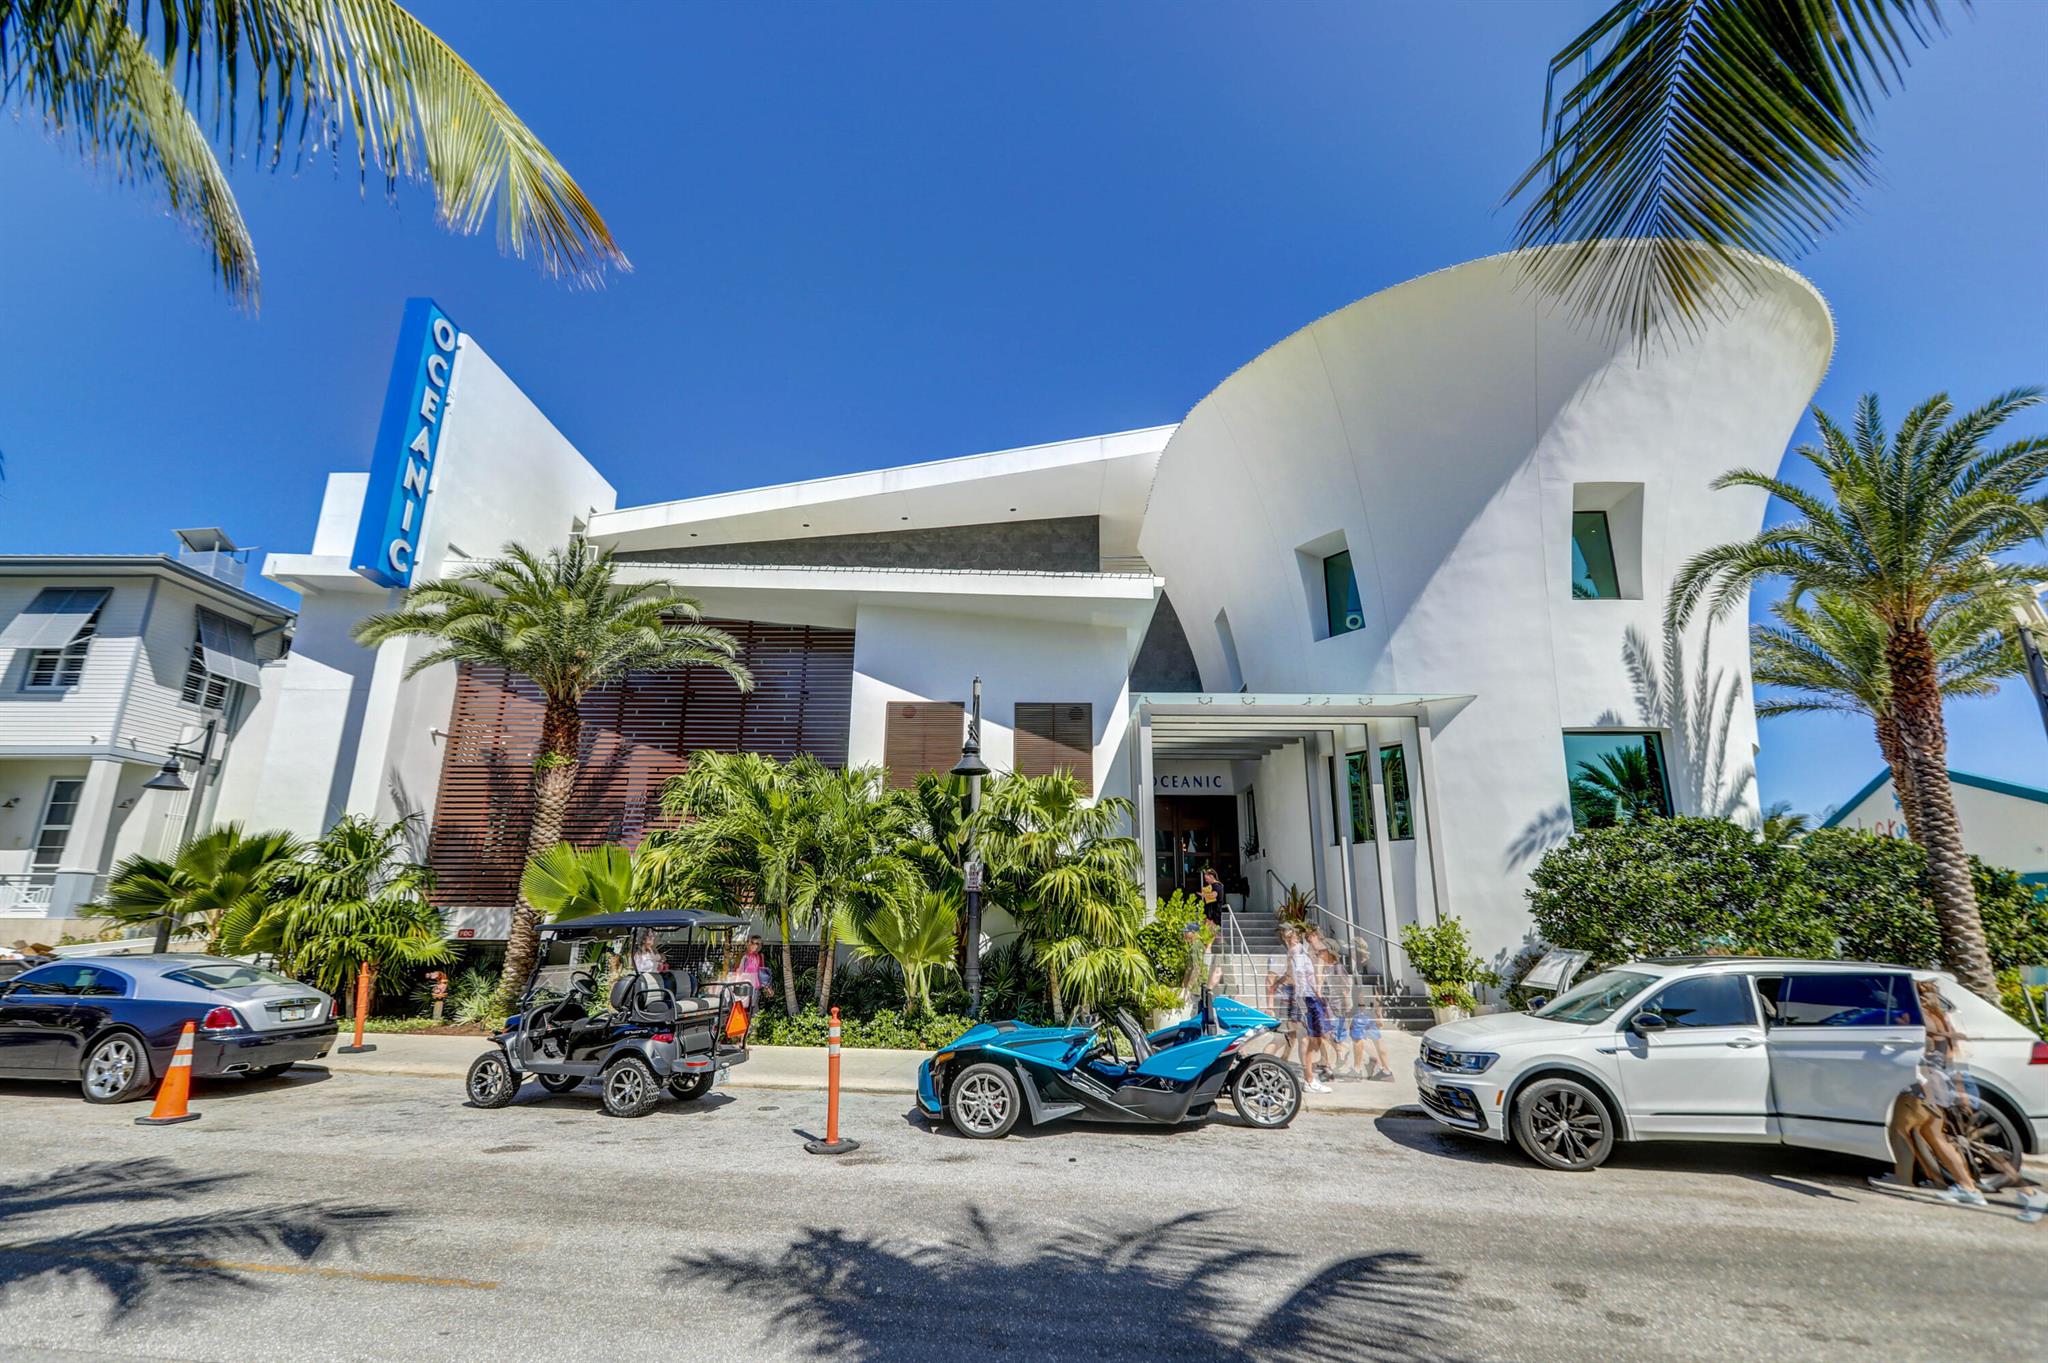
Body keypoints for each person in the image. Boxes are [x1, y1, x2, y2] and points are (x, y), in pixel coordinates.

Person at [1270, 924, 1333, 1093]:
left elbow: (1294, 975)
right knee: (1306, 1039)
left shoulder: (1295, 951)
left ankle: (1308, 1078)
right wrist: (1309, 996)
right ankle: (1309, 1080)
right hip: (1305, 998)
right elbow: (1299, 976)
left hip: (1301, 997)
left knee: (1302, 1038)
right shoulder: (1297, 951)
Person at [1343, 983, 1394, 1082]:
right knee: (1377, 1039)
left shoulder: (1361, 981)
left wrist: (1358, 1010)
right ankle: (1387, 1071)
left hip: (1363, 1012)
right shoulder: (1373, 982)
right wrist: (1379, 1014)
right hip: (1371, 1011)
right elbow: (1377, 994)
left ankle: (1357, 1071)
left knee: (1357, 1039)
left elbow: (1362, 993)